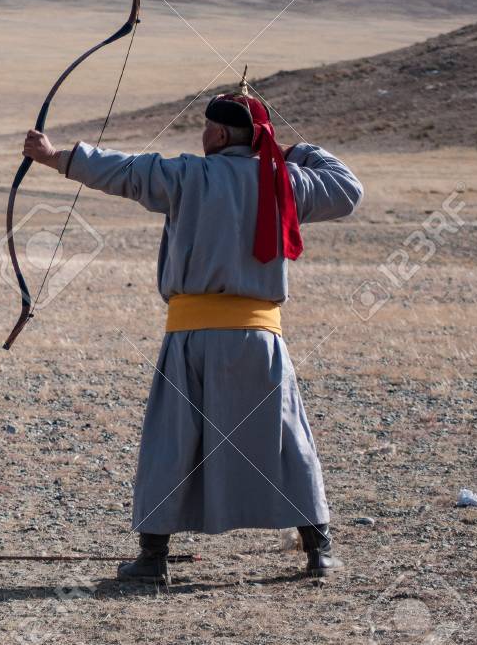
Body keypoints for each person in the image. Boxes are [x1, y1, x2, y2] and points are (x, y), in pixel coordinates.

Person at [22, 87, 363, 584]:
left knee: (172, 441)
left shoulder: (188, 174)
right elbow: (347, 188)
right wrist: (292, 151)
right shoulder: (283, 180)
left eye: (207, 127)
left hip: (193, 336)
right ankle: (319, 551)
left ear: (221, 133)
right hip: (258, 338)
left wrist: (55, 158)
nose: (201, 135)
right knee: (287, 439)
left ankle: (153, 559)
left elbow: (124, 171)